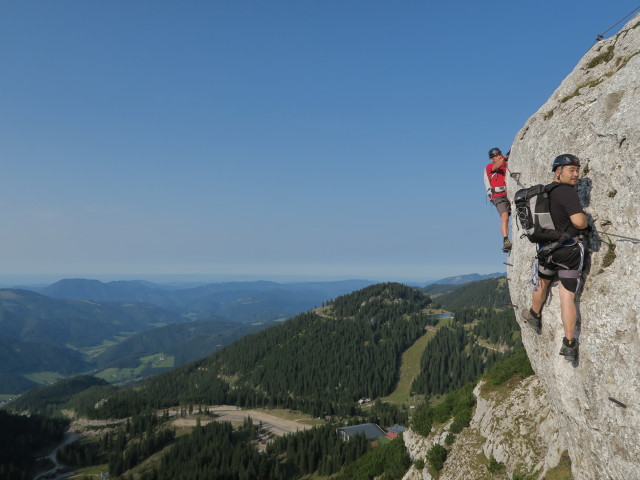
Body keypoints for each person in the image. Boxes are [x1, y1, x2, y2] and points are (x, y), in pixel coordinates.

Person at [521, 154, 588, 360]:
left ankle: (534, 313)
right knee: (567, 295)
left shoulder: (545, 192)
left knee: (543, 281)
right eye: (571, 170)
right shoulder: (567, 193)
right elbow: (578, 222)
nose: (576, 174)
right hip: (568, 251)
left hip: (546, 250)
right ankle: (569, 343)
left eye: (577, 170)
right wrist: (586, 223)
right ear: (558, 171)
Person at [485, 147, 512, 252]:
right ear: (492, 159)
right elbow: (497, 165)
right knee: (504, 216)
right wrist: (506, 157)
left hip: (509, 193)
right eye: (496, 155)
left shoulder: (505, 165)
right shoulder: (490, 166)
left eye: (499, 154)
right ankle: (506, 240)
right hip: (498, 196)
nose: (499, 156)